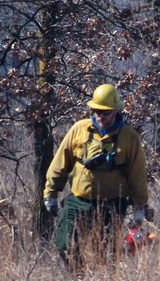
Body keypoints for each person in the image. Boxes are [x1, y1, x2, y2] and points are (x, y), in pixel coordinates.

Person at [43, 83, 152, 267]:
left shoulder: (129, 137)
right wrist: (50, 194)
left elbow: (137, 176)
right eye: (96, 111)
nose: (100, 116)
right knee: (65, 244)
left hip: (112, 205)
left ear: (116, 111)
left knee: (106, 255)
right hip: (78, 201)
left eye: (105, 112)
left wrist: (139, 207)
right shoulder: (79, 130)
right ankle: (79, 278)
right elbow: (60, 162)